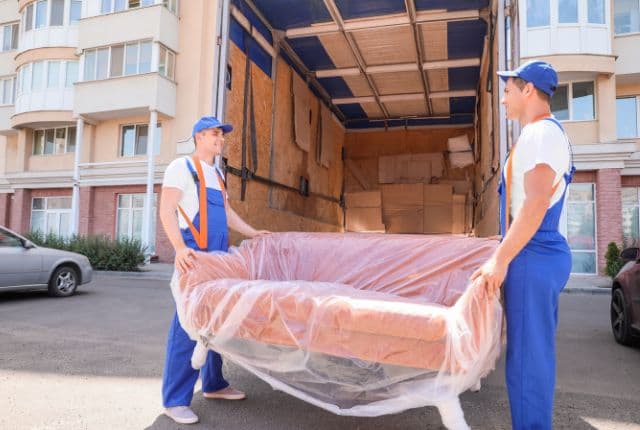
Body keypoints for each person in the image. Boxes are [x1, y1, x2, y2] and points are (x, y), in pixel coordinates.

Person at [470, 60, 574, 429]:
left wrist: (500, 260)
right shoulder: (537, 135)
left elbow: (534, 204)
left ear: (528, 89)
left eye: (508, 90)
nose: (503, 100)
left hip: (535, 250)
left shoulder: (541, 133)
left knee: (529, 362)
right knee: (529, 357)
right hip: (535, 250)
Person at [159, 116, 269, 424]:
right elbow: (166, 209)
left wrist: (252, 232)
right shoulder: (182, 168)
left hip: (219, 258)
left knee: (217, 320)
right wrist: (180, 249)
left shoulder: (218, 173)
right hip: (195, 258)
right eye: (214, 134)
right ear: (198, 137)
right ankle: (175, 399)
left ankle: (214, 384)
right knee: (186, 325)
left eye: (221, 134)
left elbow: (228, 213)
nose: (220, 139)